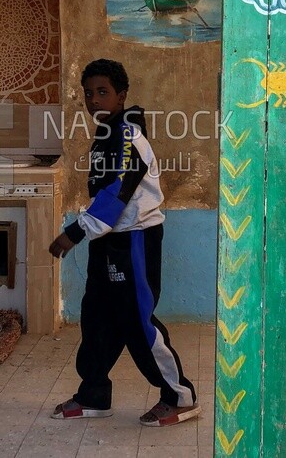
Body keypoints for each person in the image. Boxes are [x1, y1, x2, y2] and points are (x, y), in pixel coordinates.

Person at [48, 59, 200, 427]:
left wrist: (75, 232)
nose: (94, 100)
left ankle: (180, 397)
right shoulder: (106, 133)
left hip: (133, 240)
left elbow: (118, 190)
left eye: (102, 92)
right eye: (88, 93)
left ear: (121, 95)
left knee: (136, 320)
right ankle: (94, 395)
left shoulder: (128, 135)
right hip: (108, 238)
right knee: (97, 316)